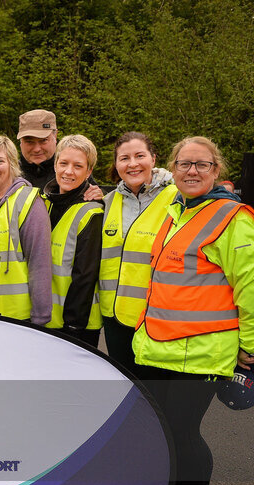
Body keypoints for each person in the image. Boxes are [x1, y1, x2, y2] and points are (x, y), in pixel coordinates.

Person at [133, 136, 254, 485]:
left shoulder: (232, 218)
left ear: (217, 170)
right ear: (173, 169)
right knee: (164, 429)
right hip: (160, 345)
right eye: (184, 163)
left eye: (202, 164)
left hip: (202, 351)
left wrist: (251, 346)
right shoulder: (176, 211)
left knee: (182, 431)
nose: (192, 171)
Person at [99, 132, 178, 369]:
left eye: (139, 156)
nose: (132, 164)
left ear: (153, 159)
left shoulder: (178, 198)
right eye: (124, 158)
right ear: (116, 165)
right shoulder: (107, 201)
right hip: (114, 317)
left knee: (153, 387)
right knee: (124, 383)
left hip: (158, 317)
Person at [0, 134, 51, 325]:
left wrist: (41, 317)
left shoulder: (28, 202)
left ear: (12, 164)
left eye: (0, 161)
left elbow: (39, 264)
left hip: (16, 318)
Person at [41, 135, 104, 347]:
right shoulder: (43, 204)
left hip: (77, 326)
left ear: (89, 172)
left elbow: (85, 276)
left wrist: (73, 326)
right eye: (64, 163)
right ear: (55, 165)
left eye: (78, 166)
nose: (69, 171)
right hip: (46, 319)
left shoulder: (92, 212)